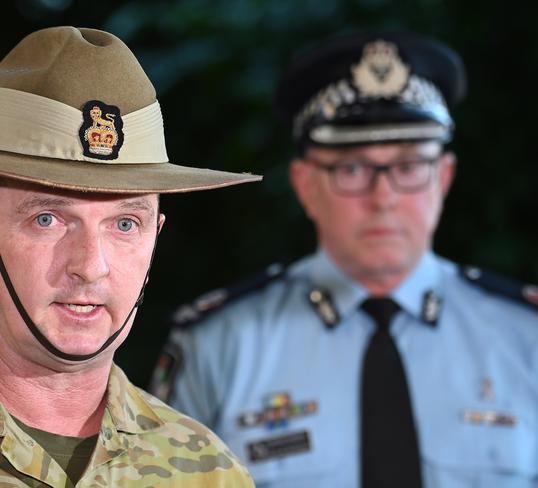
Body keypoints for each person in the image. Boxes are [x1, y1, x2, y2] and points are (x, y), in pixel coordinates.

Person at [150, 32, 538, 487]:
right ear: (305, 184)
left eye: (409, 167)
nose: (384, 197)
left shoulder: (525, 338)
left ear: (444, 178)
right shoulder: (220, 345)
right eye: (352, 169)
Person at [0, 26, 260, 487]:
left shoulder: (207, 471)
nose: (90, 265)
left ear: (155, 239)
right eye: (48, 219)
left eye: (125, 224)